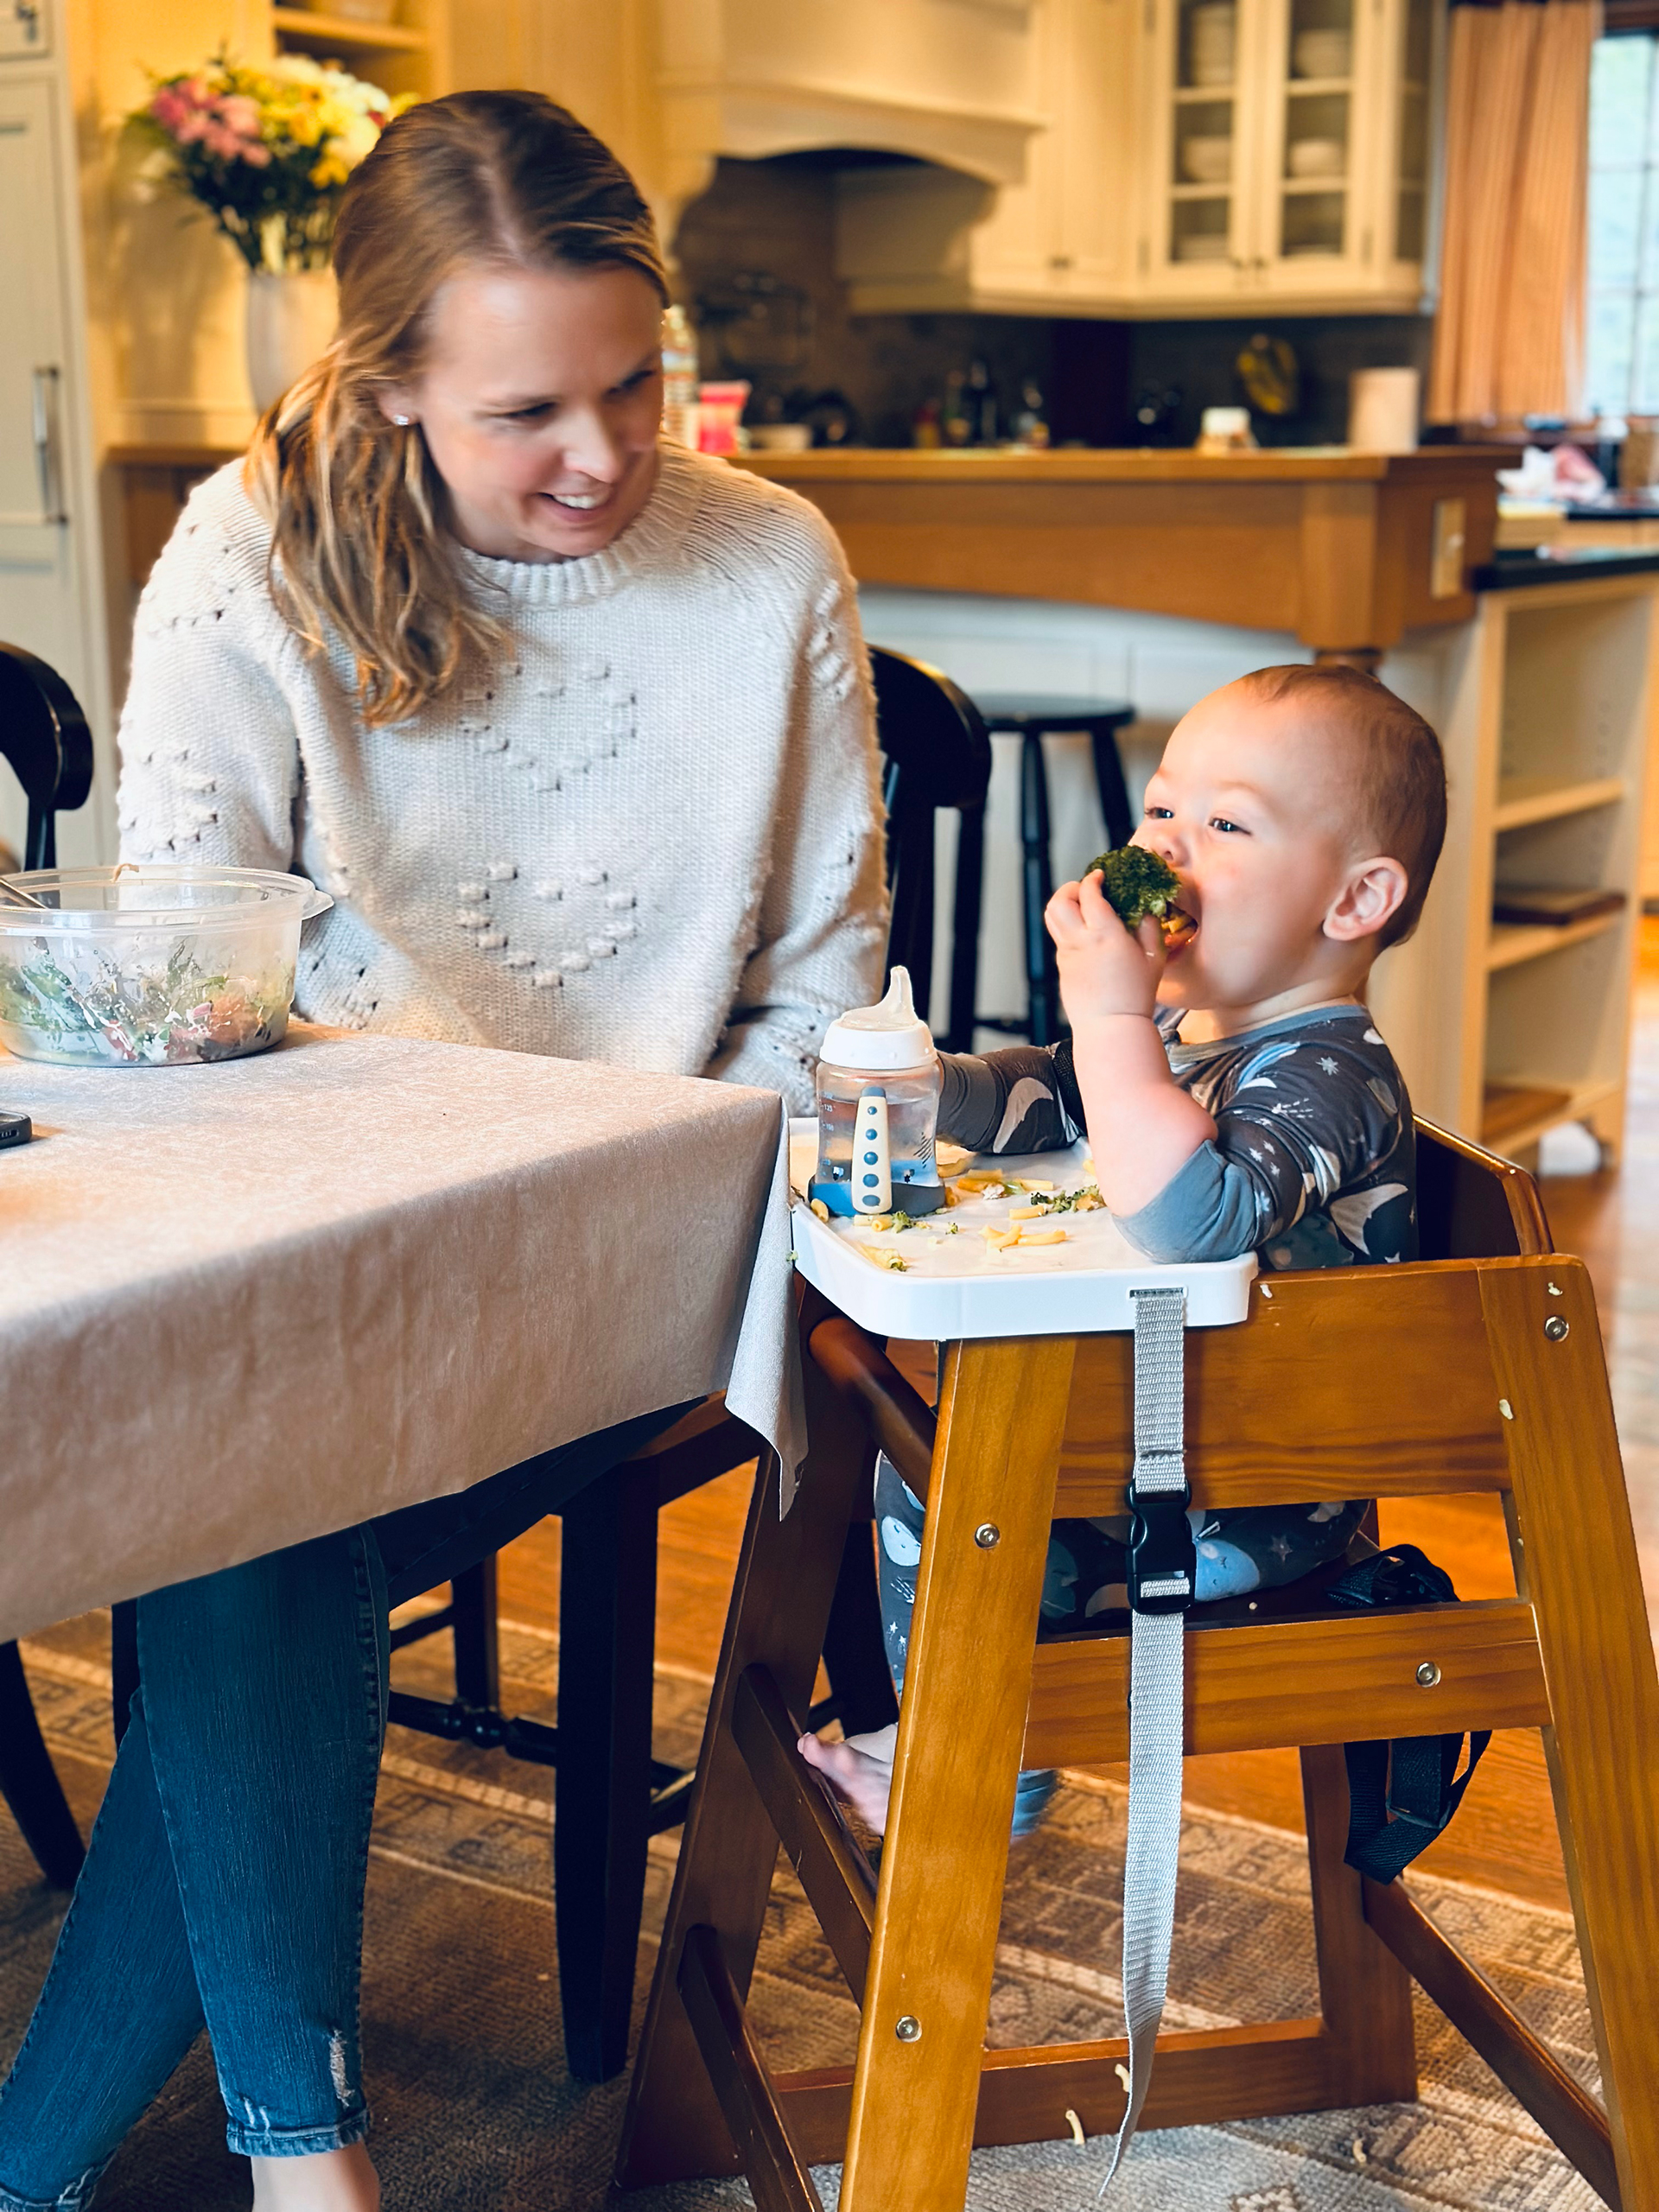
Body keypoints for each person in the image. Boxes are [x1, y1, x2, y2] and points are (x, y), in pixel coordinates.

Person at [0, 91, 884, 2212]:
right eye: (525, 412)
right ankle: (283, 2166)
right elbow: (187, 1000)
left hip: (641, 1245)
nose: (601, 453)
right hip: (341, 1239)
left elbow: (826, 993)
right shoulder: (249, 554)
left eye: (633, 382)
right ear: (389, 382)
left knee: (242, 1492)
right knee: (255, 1470)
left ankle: (128, 2164)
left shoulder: (767, 563)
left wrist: (644, 1192)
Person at [799, 662, 1446, 1834]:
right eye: (1159, 810)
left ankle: (982, 1766)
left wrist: (1108, 1022)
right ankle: (963, 1728)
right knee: (894, 1425)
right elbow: (1057, 1098)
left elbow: (1192, 1216)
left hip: (1249, 1508)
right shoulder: (1176, 1031)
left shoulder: (1337, 1076)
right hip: (1155, 1442)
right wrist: (934, 1088)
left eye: (1226, 822)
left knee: (944, 1484)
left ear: (1354, 901)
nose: (1169, 848)